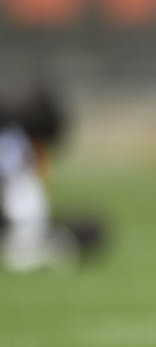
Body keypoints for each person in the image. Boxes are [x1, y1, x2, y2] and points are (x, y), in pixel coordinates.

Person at [0, 84, 105, 271]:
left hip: (17, 224)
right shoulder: (15, 146)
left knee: (89, 228)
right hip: (17, 228)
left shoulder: (13, 139)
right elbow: (25, 209)